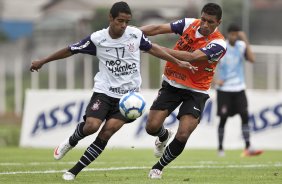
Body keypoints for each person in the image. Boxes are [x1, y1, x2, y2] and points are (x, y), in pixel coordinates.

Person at [29, 1, 196, 181]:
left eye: (127, 21)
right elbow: (70, 50)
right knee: (91, 126)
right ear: (110, 18)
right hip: (104, 92)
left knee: (107, 132)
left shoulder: (135, 35)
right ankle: (70, 142)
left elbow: (153, 49)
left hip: (128, 98)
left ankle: (74, 171)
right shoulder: (97, 39)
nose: (124, 25)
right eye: (120, 21)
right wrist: (43, 61)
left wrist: (177, 61)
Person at [140, 3, 226, 179]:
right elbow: (157, 28)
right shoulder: (189, 24)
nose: (205, 24)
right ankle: (164, 136)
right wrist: (133, 32)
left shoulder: (219, 43)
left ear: (218, 22)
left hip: (197, 90)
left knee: (184, 132)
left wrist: (154, 49)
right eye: (203, 19)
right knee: (151, 127)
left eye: (210, 22)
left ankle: (158, 168)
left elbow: (193, 57)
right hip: (172, 83)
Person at [215, 24, 263, 157]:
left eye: (237, 34)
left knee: (244, 115)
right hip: (224, 90)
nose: (234, 36)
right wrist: (215, 80)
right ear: (228, 34)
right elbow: (209, 64)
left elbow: (252, 59)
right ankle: (220, 148)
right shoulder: (221, 47)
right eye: (232, 34)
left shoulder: (241, 46)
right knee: (223, 118)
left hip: (239, 88)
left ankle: (248, 147)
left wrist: (245, 39)